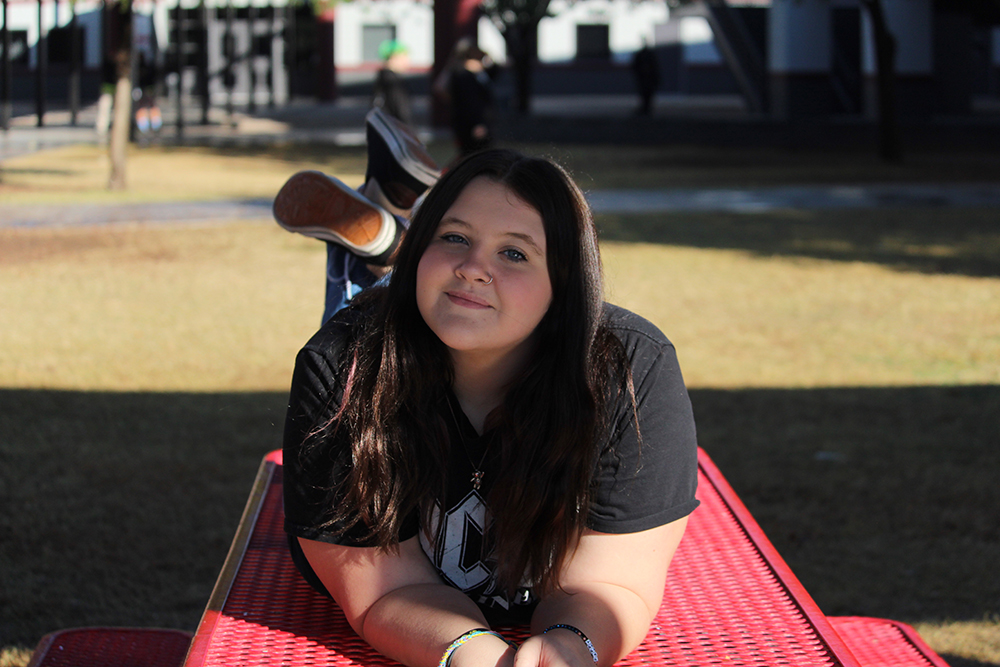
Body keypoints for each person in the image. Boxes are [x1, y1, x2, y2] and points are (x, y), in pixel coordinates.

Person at [272, 129, 700, 667]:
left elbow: (611, 585)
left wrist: (570, 651)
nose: (475, 265)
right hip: (384, 349)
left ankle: (386, 228)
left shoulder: (631, 375)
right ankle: (382, 248)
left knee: (432, 298)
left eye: (515, 253)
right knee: (361, 312)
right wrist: (473, 655)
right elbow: (384, 591)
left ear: (564, 285)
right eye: (452, 237)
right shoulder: (343, 370)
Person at [372, 39, 413, 126]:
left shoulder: (381, 78)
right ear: (393, 58)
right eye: (404, 57)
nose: (407, 61)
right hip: (396, 130)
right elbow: (402, 112)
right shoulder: (393, 83)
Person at [631, 42, 660, 116]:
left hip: (647, 79)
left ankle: (646, 109)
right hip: (644, 79)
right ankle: (646, 109)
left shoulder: (646, 55)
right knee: (645, 94)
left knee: (647, 94)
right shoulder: (645, 55)